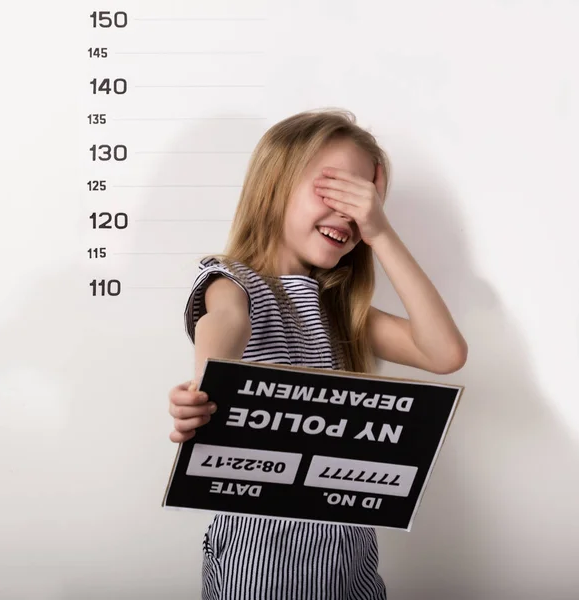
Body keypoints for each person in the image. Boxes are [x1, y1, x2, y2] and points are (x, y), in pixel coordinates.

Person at [167, 108, 468, 599]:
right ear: (274, 184)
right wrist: (207, 387)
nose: (351, 214)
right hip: (265, 560)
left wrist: (383, 233)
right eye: (334, 191)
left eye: (366, 202)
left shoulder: (336, 308)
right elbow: (225, 322)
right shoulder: (235, 284)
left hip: (353, 551)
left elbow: (444, 352)